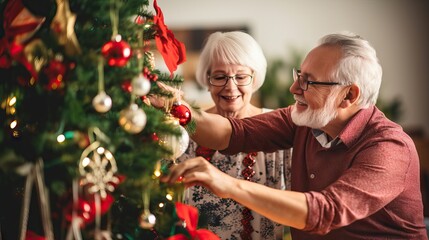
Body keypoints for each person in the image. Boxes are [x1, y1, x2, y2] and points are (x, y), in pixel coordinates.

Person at [157, 32, 428, 239]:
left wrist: (228, 184)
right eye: (299, 75)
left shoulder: (389, 147)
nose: (294, 87)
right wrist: (175, 105)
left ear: (349, 95)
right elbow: (233, 133)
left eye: (309, 81)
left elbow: (323, 211)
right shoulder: (303, 119)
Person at [176, 31, 292, 239]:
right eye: (220, 77)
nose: (230, 87)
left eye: (241, 76)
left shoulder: (278, 129)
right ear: (208, 79)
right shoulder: (187, 129)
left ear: (254, 79)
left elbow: (298, 204)